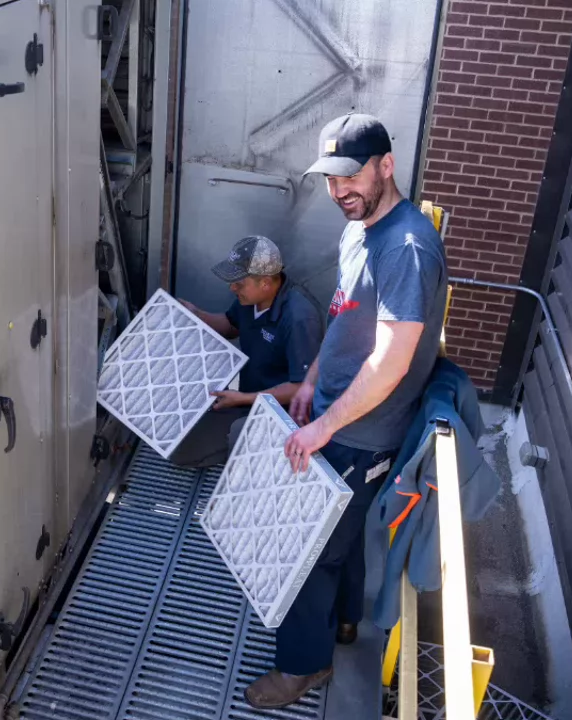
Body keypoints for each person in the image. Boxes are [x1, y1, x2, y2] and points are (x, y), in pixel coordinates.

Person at [244, 113, 449, 709]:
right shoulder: (359, 229)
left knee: (311, 552)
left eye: (351, 176)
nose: (339, 192)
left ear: (387, 165)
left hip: (361, 432)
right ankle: (344, 623)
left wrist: (321, 428)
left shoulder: (407, 248)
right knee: (343, 534)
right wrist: (310, 380)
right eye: (331, 179)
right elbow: (344, 317)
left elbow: (389, 363)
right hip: (333, 410)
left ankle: (303, 668)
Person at [168, 235, 322, 468]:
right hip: (248, 403)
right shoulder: (249, 300)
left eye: (239, 283)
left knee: (239, 440)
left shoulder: (300, 317)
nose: (232, 288)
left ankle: (260, 459)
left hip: (283, 417)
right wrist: (196, 314)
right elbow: (230, 325)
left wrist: (243, 398)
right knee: (180, 450)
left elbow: (301, 388)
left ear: (266, 283)